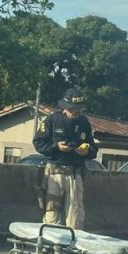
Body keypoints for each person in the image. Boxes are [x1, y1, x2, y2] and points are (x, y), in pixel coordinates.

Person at [32, 88, 97, 229]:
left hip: (75, 174)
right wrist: (56, 147)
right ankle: (50, 239)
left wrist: (85, 152)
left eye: (78, 109)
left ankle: (73, 240)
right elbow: (38, 143)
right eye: (73, 109)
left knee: (75, 216)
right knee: (51, 212)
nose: (76, 112)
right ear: (65, 107)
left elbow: (94, 150)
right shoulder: (52, 120)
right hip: (54, 173)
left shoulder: (84, 123)